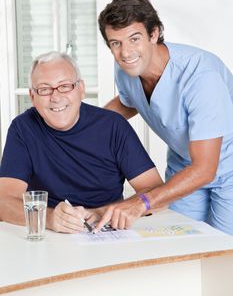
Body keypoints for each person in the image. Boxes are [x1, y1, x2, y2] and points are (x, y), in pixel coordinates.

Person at [96, 0, 233, 235]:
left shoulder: (201, 77)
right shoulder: (126, 72)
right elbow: (130, 102)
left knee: (222, 252)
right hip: (184, 165)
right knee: (178, 241)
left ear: (154, 33)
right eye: (116, 43)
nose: (125, 53)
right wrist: (83, 128)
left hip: (226, 170)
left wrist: (142, 202)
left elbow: (205, 168)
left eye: (134, 39)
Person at [0, 51, 163, 233]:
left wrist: (101, 212)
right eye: (44, 89)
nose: (55, 97)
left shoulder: (113, 126)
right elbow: (4, 202)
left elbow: (158, 193)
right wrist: (50, 217)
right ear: (32, 96)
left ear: (81, 89)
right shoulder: (22, 128)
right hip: (49, 235)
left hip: (107, 232)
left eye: (65, 86)